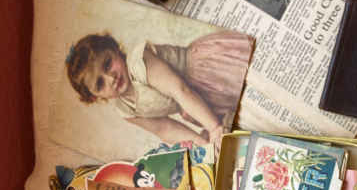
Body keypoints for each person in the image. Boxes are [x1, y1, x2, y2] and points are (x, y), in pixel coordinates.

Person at [66, 31, 253, 148]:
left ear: (115, 49)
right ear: (95, 97)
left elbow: (180, 90)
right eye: (100, 84)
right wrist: (202, 145)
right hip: (199, 105)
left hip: (205, 72)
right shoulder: (125, 109)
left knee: (250, 88)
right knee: (238, 125)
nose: (111, 78)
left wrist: (214, 128)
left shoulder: (138, 63)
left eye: (107, 64)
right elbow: (164, 128)